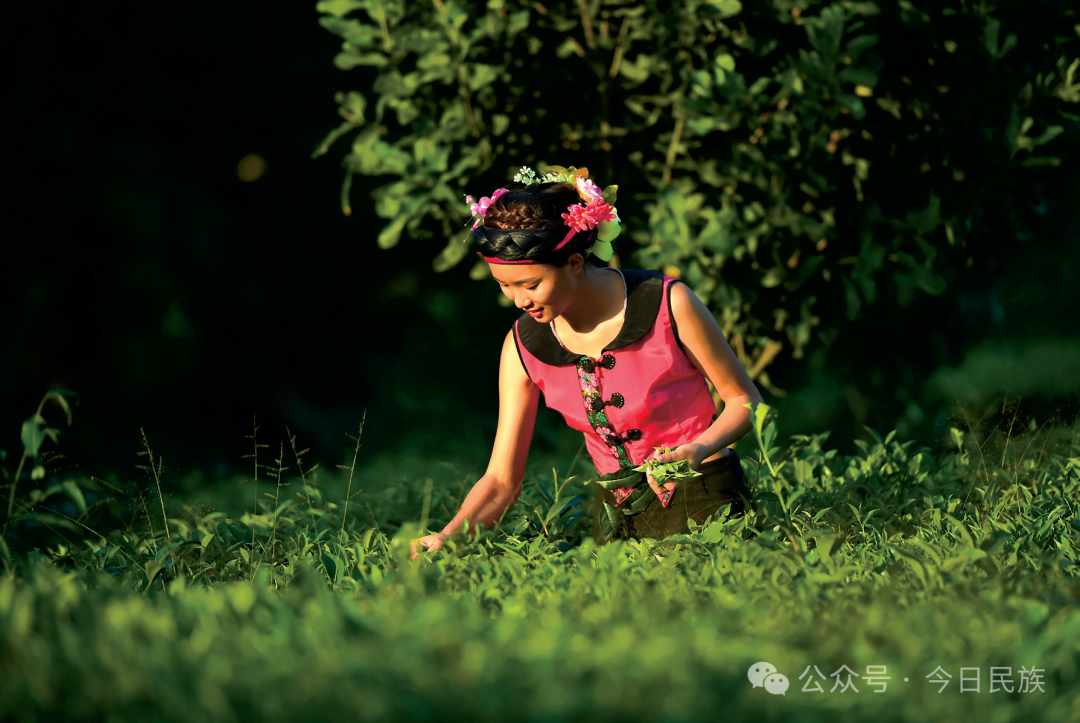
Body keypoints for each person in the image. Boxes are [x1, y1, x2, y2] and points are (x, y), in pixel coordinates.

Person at [409, 166, 763, 559]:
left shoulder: (667, 302)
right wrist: (450, 536)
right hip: (615, 516)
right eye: (505, 285)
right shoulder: (522, 346)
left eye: (531, 284)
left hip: (704, 492)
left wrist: (698, 448)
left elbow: (745, 401)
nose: (519, 300)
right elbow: (501, 480)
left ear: (575, 263)